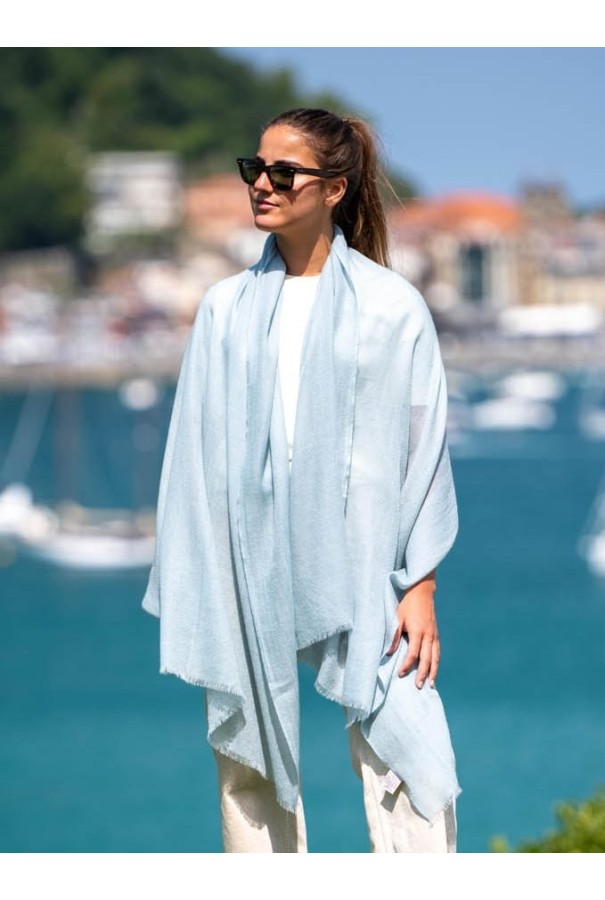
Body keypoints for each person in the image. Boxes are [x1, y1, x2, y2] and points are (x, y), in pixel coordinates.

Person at [142, 107, 460, 853]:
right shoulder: (224, 308)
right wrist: (200, 568)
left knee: (407, 744)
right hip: (246, 553)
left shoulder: (390, 306)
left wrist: (420, 584)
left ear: (333, 189)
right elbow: (194, 449)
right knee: (245, 763)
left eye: (283, 173)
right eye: (254, 169)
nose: (262, 184)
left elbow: (422, 450)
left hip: (362, 555)